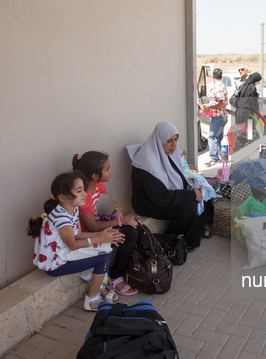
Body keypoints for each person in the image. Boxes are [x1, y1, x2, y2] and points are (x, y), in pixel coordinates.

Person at [27, 172, 124, 311]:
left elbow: (78, 234)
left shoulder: (72, 209)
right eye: (79, 191)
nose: (85, 193)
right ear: (63, 197)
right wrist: (99, 238)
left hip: (64, 253)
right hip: (56, 264)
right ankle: (92, 300)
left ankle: (97, 284)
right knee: (102, 258)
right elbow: (72, 244)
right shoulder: (61, 218)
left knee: (102, 246)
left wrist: (103, 234)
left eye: (84, 189)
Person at [127, 121, 211, 250]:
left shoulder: (166, 153)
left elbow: (179, 175)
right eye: (169, 141)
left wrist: (193, 188)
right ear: (160, 141)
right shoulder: (146, 162)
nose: (174, 145)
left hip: (161, 196)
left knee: (203, 194)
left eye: (176, 139)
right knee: (187, 205)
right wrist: (191, 194)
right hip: (147, 203)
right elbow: (160, 196)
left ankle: (196, 234)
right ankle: (173, 240)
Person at [72, 152, 140, 296]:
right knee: (128, 233)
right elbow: (91, 226)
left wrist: (115, 214)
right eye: (107, 169)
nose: (111, 171)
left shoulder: (99, 186)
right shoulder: (83, 196)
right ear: (95, 176)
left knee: (133, 229)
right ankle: (115, 277)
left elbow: (104, 204)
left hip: (96, 225)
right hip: (85, 235)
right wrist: (121, 221)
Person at [200, 68, 228, 166]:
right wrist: (208, 105)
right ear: (221, 76)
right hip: (220, 116)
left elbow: (222, 103)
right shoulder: (221, 85)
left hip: (219, 117)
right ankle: (223, 156)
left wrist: (210, 107)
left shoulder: (218, 87)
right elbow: (217, 102)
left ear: (212, 76)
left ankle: (214, 158)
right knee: (219, 136)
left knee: (212, 136)